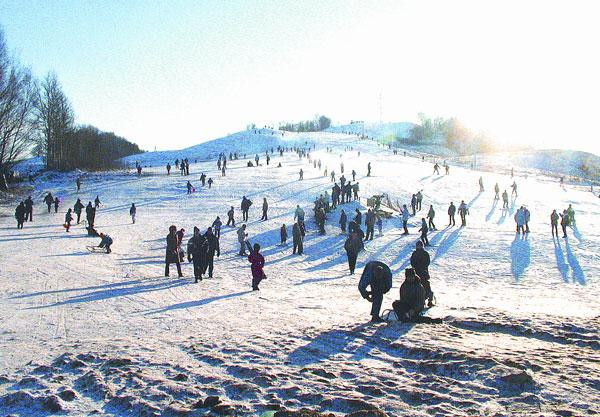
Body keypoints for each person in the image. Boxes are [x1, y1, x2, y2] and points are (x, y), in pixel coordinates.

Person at [410, 241, 434, 307]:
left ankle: (430, 300)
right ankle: (419, 301)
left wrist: (421, 267)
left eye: (420, 245)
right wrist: (415, 267)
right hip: (417, 273)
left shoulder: (425, 253)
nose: (418, 246)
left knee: (426, 286)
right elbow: (412, 262)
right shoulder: (414, 253)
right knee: (417, 287)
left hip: (423, 273)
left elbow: (427, 262)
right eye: (418, 245)